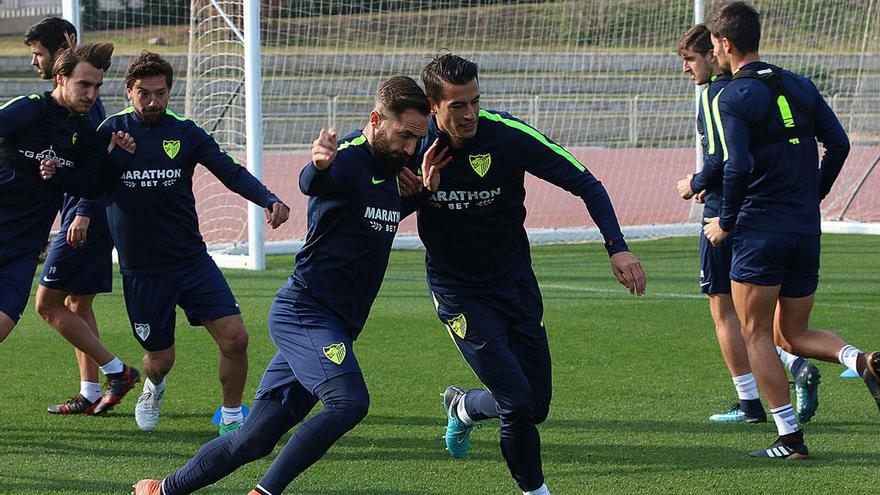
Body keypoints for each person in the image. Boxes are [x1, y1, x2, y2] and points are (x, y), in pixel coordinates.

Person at [132, 75, 441, 495]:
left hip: (336, 324)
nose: (410, 148)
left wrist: (421, 194)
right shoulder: (347, 159)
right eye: (404, 136)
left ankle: (162, 489)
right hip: (306, 312)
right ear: (376, 119)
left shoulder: (392, 169)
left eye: (416, 140)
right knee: (349, 402)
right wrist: (316, 167)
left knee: (254, 438)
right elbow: (314, 183)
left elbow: (374, 220)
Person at [407, 53, 645, 495]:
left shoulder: (507, 135)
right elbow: (363, 198)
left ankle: (462, 407)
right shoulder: (412, 146)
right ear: (433, 106)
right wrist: (423, 189)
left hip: (515, 284)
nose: (470, 114)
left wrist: (618, 248)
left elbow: (586, 182)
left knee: (534, 406)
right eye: (457, 105)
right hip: (459, 293)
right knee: (516, 402)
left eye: (475, 101)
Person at [42, 51, 290, 435]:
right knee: (160, 359)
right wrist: (84, 211)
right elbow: (92, 179)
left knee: (236, 338)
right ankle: (153, 387)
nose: (153, 102)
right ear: (129, 91)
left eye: (161, 93)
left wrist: (268, 198)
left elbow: (230, 171)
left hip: (191, 261)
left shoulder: (186, 132)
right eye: (144, 93)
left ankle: (230, 417)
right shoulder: (109, 130)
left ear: (170, 91)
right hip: (143, 270)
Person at [702, 1, 880, 458]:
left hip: (761, 229)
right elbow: (838, 144)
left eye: (714, 45)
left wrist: (727, 220)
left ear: (725, 43)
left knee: (756, 332)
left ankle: (789, 438)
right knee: (792, 334)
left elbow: (736, 165)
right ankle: (864, 362)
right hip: (805, 228)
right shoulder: (800, 83)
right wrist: (813, 196)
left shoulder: (732, 97)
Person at [675, 23, 822, 424]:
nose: (686, 69)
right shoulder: (770, 88)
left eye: (689, 59)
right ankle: (799, 366)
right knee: (768, 322)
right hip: (774, 216)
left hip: (726, 217)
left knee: (727, 314)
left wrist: (697, 183)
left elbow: (725, 160)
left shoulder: (718, 95)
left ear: (715, 52)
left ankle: (752, 404)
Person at [0, 39, 141, 414]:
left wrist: (116, 160)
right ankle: (107, 376)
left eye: (97, 87)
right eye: (85, 85)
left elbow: (92, 184)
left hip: (21, 251)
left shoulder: (86, 128)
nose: (92, 94)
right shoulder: (29, 109)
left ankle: (109, 376)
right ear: (60, 78)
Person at [25, 16, 122, 416]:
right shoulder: (63, 101)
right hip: (77, 211)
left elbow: (98, 164)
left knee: (46, 304)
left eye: (38, 54)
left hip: (86, 215)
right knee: (76, 302)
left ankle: (117, 372)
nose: (34, 62)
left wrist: (82, 212)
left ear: (59, 52)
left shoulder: (86, 101)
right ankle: (89, 391)